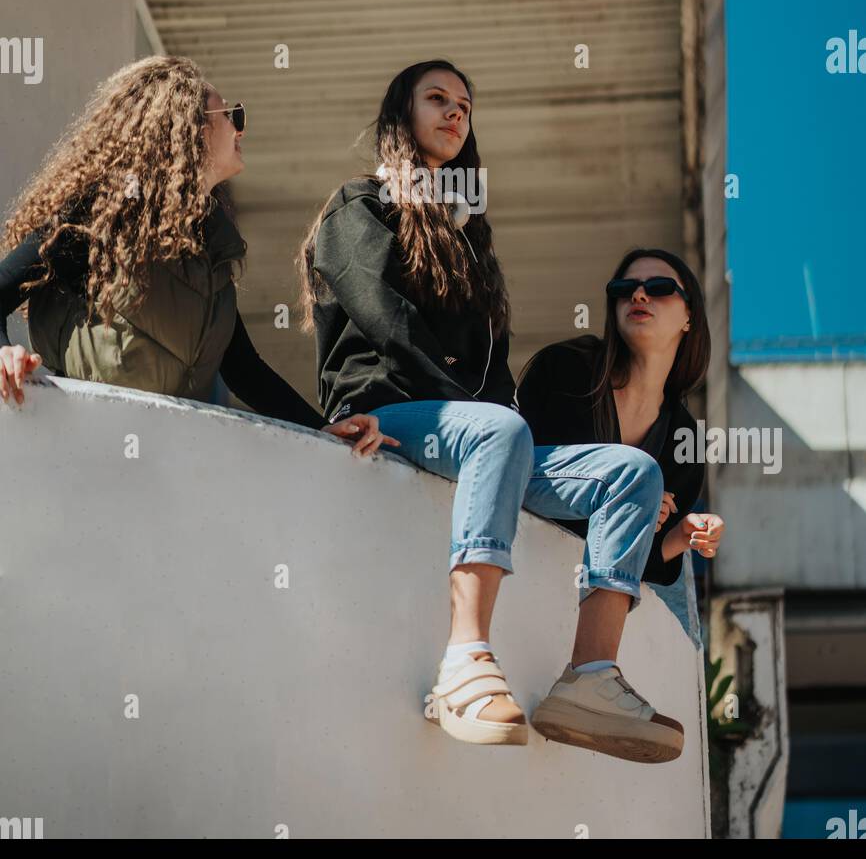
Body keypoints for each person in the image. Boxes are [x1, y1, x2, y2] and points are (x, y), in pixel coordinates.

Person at [297, 59, 687, 761]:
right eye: (437, 99)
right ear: (400, 116)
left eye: (465, 106)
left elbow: (493, 365)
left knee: (630, 472)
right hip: (389, 412)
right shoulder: (357, 206)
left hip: (478, 436)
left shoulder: (471, 238)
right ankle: (463, 664)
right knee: (500, 430)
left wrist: (512, 439)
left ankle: (589, 678)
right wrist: (491, 425)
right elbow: (386, 323)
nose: (454, 113)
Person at [0, 55, 396, 462]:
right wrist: (3, 352)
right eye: (232, 115)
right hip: (84, 450)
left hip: (164, 462)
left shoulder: (209, 251)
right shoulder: (99, 214)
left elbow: (245, 370)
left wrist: (323, 431)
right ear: (187, 127)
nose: (242, 127)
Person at [515, 247, 726, 600]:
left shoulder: (684, 439)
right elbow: (523, 482)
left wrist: (682, 535)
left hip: (581, 600)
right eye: (623, 289)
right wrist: (629, 505)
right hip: (525, 571)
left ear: (689, 315)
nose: (638, 295)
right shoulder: (565, 371)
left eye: (659, 287)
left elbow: (643, 564)